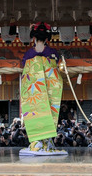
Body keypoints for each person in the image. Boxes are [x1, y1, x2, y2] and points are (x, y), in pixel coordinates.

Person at [19, 22, 67, 156]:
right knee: (49, 110)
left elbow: (25, 70)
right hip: (48, 87)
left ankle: (36, 142)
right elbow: (55, 68)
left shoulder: (28, 54)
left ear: (33, 37)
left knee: (35, 111)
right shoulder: (52, 53)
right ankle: (47, 141)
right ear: (47, 38)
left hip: (34, 89)